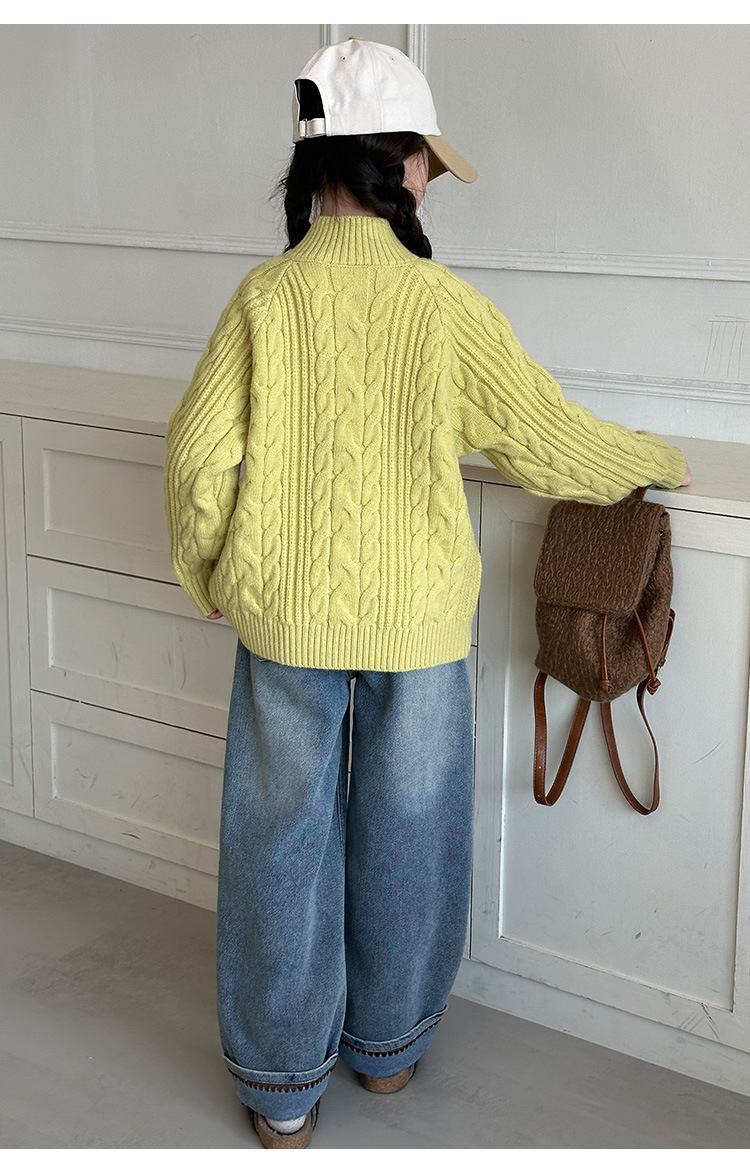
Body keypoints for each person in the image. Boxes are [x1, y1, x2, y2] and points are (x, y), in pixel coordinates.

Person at [163, 36, 692, 1149]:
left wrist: (209, 571)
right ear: (397, 162)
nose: (427, 181)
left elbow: (197, 458)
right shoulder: (443, 307)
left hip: (286, 618)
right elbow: (551, 441)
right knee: (411, 833)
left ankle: (282, 1093)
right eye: (426, 163)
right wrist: (659, 457)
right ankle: (388, 1053)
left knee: (279, 842)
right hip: (417, 621)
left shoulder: (264, 298)